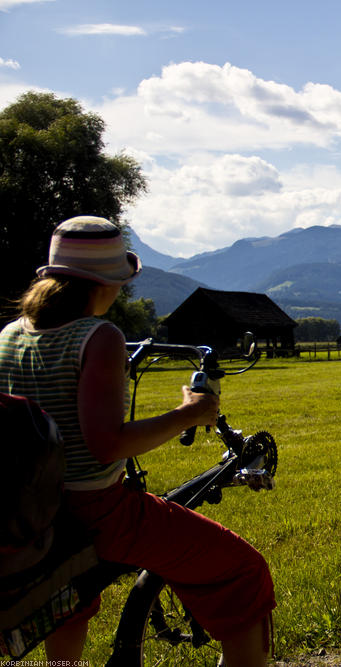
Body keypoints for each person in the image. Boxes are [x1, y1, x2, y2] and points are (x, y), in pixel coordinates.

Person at [0, 216, 274, 665]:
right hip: (98, 511)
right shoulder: (100, 336)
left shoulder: (11, 334)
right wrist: (190, 412)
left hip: (30, 512)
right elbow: (106, 444)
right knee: (242, 571)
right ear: (106, 282)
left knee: (70, 601)